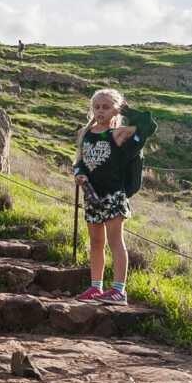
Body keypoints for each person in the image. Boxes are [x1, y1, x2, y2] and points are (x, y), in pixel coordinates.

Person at [70, 88, 143, 304]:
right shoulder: (86, 134)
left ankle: (119, 290)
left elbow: (149, 125)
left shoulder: (119, 134)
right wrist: (79, 174)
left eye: (106, 107)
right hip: (92, 196)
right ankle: (96, 287)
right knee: (95, 242)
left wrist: (126, 108)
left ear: (116, 110)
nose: (100, 111)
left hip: (114, 196)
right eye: (97, 107)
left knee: (115, 241)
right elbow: (80, 162)